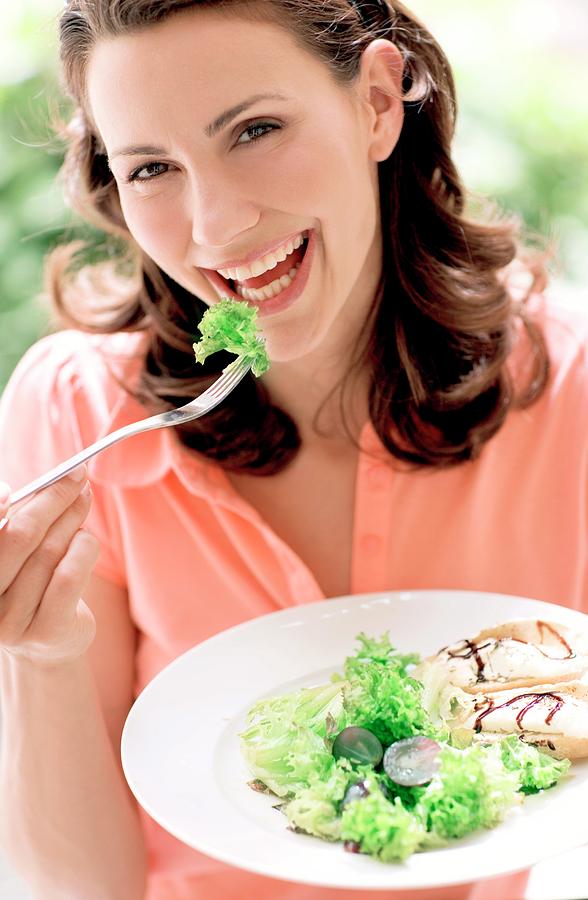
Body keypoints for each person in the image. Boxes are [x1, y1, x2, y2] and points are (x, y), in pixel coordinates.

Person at [0, 1, 586, 898]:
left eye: (256, 128)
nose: (218, 225)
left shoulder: (569, 385)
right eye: (152, 166)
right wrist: (38, 659)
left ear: (378, 104)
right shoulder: (77, 417)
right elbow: (85, 887)